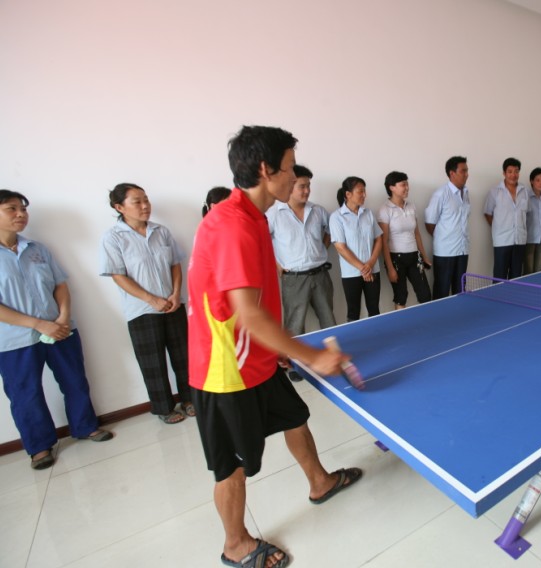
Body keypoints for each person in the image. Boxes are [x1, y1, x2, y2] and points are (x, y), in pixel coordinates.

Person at [188, 125, 362, 568]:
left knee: (295, 417)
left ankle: (320, 481)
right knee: (231, 465)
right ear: (266, 170)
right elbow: (247, 314)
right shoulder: (231, 225)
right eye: (288, 168)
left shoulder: (253, 217)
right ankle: (236, 545)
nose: (294, 177)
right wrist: (312, 355)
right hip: (225, 370)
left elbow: (257, 301)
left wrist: (278, 346)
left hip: (257, 357)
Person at [0, 190, 112, 470]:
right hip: (16, 341)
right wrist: (38, 324)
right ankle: (39, 447)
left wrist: (63, 317)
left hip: (61, 330)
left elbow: (60, 284)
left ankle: (85, 426)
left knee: (74, 380)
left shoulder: (37, 249)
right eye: (11, 209)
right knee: (25, 394)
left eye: (23, 209)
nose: (20, 214)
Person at [99, 183, 193, 424]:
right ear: (119, 207)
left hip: (173, 304)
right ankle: (164, 408)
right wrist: (152, 300)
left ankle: (190, 399)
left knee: (184, 356)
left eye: (146, 200)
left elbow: (175, 264)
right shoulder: (113, 238)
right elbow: (118, 275)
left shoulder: (161, 231)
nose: (145, 206)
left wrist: (174, 295)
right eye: (137, 202)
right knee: (152, 362)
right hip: (142, 310)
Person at [267, 165, 336, 381]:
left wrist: (323, 249)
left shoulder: (319, 211)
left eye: (308, 186)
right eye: (302, 186)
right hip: (293, 278)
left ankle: (334, 360)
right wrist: (276, 264)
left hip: (320, 274)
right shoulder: (274, 214)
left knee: (329, 319)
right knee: (295, 324)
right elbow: (262, 241)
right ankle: (297, 367)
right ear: (291, 185)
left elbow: (329, 231)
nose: (306, 191)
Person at [329, 176, 383, 322]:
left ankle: (377, 338)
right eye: (360, 191)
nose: (364, 195)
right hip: (351, 273)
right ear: (348, 194)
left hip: (373, 270)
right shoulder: (337, 217)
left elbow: (378, 239)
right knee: (353, 312)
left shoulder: (368, 213)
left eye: (365, 191)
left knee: (374, 309)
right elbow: (340, 247)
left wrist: (370, 264)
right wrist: (363, 268)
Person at [377, 171, 431, 310]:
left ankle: (428, 326)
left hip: (414, 256)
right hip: (396, 259)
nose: (407, 188)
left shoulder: (411, 206)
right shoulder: (385, 210)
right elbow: (384, 241)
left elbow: (417, 234)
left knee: (425, 295)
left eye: (407, 184)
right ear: (392, 187)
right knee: (401, 296)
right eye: (403, 185)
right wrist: (390, 268)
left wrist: (424, 256)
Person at [424, 156, 470, 298]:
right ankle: (439, 319)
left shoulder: (466, 193)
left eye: (467, 170)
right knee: (441, 291)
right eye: (463, 171)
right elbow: (429, 223)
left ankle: (460, 317)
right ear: (452, 173)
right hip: (445, 252)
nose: (467, 174)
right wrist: (445, 237)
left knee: (460, 289)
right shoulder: (440, 194)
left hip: (462, 250)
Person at [483, 157, 528, 279]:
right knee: (499, 276)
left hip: (520, 240)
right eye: (510, 171)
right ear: (504, 173)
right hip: (502, 241)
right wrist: (498, 227)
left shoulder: (525, 191)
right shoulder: (495, 192)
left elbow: (526, 213)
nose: (513, 175)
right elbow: (488, 213)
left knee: (516, 276)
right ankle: (497, 297)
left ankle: (513, 298)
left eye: (516, 171)